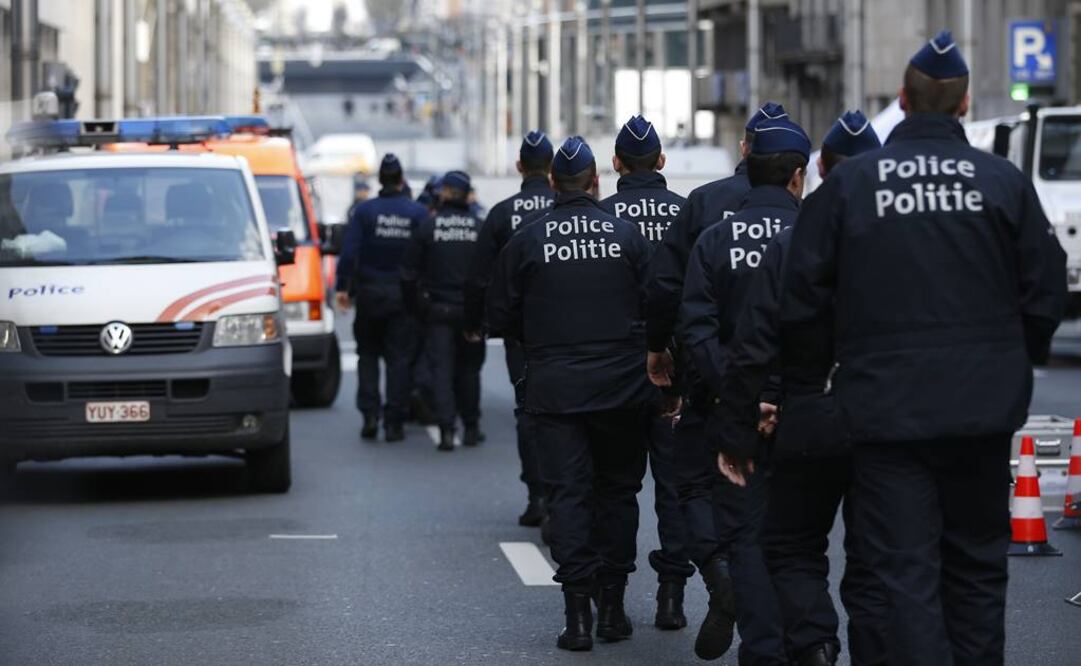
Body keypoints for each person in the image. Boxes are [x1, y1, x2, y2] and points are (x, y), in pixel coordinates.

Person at [754, 30, 1066, 665]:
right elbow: (1046, 282)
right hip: (981, 412)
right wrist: (1016, 356)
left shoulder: (851, 185)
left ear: (903, 98)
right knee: (977, 569)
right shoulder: (1001, 180)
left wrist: (813, 387)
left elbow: (802, 300)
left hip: (886, 416)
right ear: (964, 104)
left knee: (905, 573)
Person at [715, 111, 887, 666]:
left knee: (791, 545)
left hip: (809, 414)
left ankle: (814, 642)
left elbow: (753, 343)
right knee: (878, 556)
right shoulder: (904, 241)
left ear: (818, 169)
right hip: (889, 419)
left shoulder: (793, 241)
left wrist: (740, 431)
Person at [487, 136, 653, 652]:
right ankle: (613, 608)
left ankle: (577, 617)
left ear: (553, 183)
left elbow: (500, 318)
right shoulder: (627, 236)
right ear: (597, 180)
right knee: (617, 494)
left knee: (569, 497)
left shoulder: (528, 241)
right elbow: (657, 308)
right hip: (623, 390)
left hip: (555, 393)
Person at [680, 116, 812, 664]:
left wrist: (740, 392)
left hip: (731, 415)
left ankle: (763, 649)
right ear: (798, 178)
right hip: (805, 413)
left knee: (747, 540)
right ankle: (812, 642)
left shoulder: (715, 240)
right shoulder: (815, 238)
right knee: (805, 544)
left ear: (747, 167)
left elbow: (696, 329)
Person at [599, 115, 694, 630]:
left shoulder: (600, 217)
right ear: (661, 161)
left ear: (616, 164)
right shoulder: (688, 214)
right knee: (675, 487)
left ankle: (611, 603)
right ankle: (672, 598)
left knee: (616, 487)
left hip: (617, 373)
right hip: (677, 372)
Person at [463, 130, 556, 527]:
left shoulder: (502, 213)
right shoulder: (568, 205)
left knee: (529, 412)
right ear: (552, 168)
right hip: (571, 331)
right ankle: (567, 495)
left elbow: (480, 277)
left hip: (522, 333)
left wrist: (478, 324)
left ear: (520, 166)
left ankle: (538, 495)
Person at [335, 154, 429, 442]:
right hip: (403, 297)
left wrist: (342, 288)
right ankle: (394, 421)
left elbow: (349, 253)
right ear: (401, 181)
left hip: (369, 294)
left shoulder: (364, 212)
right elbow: (426, 255)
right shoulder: (416, 214)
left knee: (368, 356)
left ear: (380, 181)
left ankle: (370, 414)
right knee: (399, 360)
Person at [401, 170, 486, 451]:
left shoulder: (429, 227)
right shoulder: (479, 227)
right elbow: (492, 272)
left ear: (447, 193)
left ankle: (447, 429)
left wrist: (416, 307)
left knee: (442, 371)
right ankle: (471, 427)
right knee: (469, 371)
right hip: (471, 312)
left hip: (437, 311)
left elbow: (408, 273)